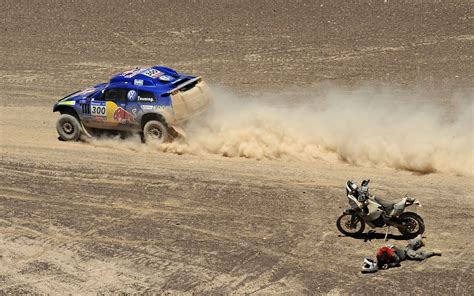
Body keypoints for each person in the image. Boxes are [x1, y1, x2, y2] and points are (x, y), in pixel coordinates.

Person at [362, 235, 441, 273]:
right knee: (410, 246)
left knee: (418, 256)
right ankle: (418, 238)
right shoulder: (379, 255)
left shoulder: (392, 254)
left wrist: (389, 265)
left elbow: (398, 262)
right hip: (402, 249)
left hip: (405, 253)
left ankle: (432, 252)